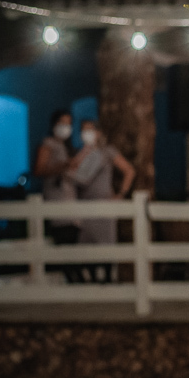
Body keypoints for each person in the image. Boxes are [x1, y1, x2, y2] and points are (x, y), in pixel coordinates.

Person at [69, 121, 135, 282]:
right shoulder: (81, 154)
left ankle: (107, 279)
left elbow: (129, 170)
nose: (87, 133)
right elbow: (71, 173)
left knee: (106, 246)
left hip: (104, 206)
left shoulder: (107, 152)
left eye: (90, 130)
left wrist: (121, 194)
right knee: (87, 247)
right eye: (83, 130)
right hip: (85, 206)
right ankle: (91, 281)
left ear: (98, 132)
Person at [33, 110, 82, 282]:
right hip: (56, 201)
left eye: (69, 123)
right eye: (62, 122)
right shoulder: (48, 144)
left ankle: (77, 281)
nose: (65, 127)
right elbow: (39, 170)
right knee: (64, 242)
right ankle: (74, 281)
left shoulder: (66, 147)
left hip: (71, 200)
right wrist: (62, 166)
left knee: (74, 242)